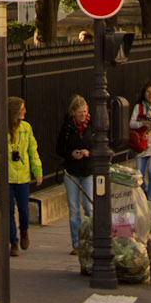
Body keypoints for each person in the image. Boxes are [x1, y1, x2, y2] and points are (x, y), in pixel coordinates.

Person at [0, 95, 42, 255]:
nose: (24, 111)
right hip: (7, 177)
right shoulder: (1, 130)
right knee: (8, 211)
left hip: (23, 177)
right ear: (14, 112)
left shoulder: (26, 128)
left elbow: (33, 150)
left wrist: (37, 171)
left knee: (24, 210)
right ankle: (14, 241)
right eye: (21, 109)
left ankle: (24, 230)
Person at [55, 94, 94, 254]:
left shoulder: (92, 126)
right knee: (73, 209)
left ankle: (92, 240)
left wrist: (88, 152)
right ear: (73, 113)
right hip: (72, 171)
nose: (83, 115)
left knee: (89, 207)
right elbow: (59, 148)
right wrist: (71, 154)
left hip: (88, 170)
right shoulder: (67, 128)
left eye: (85, 112)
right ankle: (77, 244)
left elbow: (101, 144)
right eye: (80, 113)